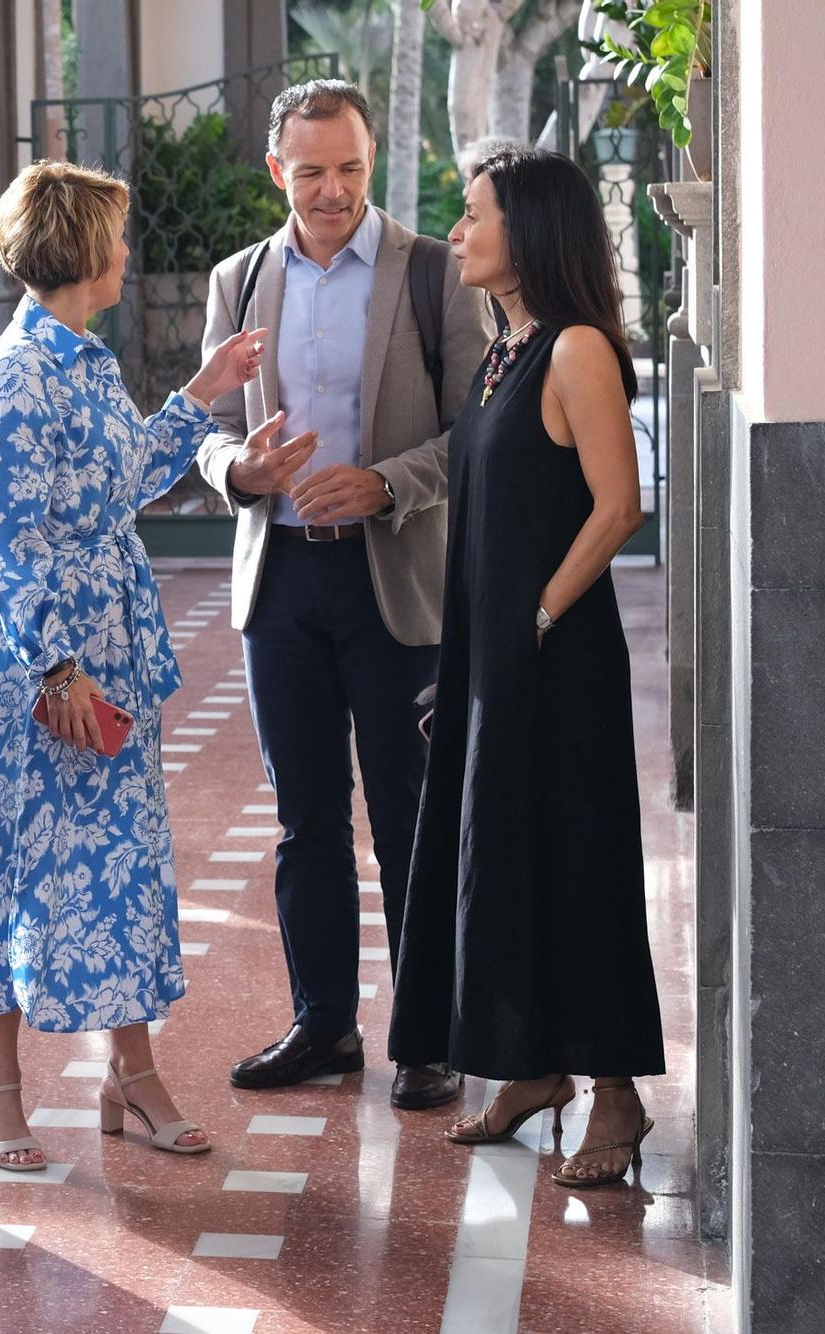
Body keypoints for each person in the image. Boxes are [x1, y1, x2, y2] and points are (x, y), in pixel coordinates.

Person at [0, 162, 278, 1169]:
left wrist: (201, 394)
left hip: (113, 651)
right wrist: (55, 671)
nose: (127, 253)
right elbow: (5, 546)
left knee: (122, 868)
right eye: (117, 237)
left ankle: (127, 1077)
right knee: (8, 866)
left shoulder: (83, 359)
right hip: (37, 665)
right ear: (83, 250)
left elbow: (120, 482)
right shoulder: (11, 378)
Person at [194, 80, 491, 1108]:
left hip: (394, 579)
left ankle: (427, 1035)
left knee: (407, 813)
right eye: (311, 170)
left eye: (349, 169)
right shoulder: (236, 281)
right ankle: (322, 1023)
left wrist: (384, 482)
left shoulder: (430, 276)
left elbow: (476, 434)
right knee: (303, 817)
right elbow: (205, 432)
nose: (332, 191)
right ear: (277, 170)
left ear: (372, 165)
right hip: (278, 582)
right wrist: (241, 471)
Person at [390, 145, 663, 1188]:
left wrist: (536, 618)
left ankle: (616, 1092)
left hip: (554, 661)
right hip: (495, 656)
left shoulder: (575, 350)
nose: (456, 233)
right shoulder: (500, 352)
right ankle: (525, 1063)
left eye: (472, 215)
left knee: (575, 863)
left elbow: (616, 505)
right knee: (497, 856)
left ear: (527, 232)